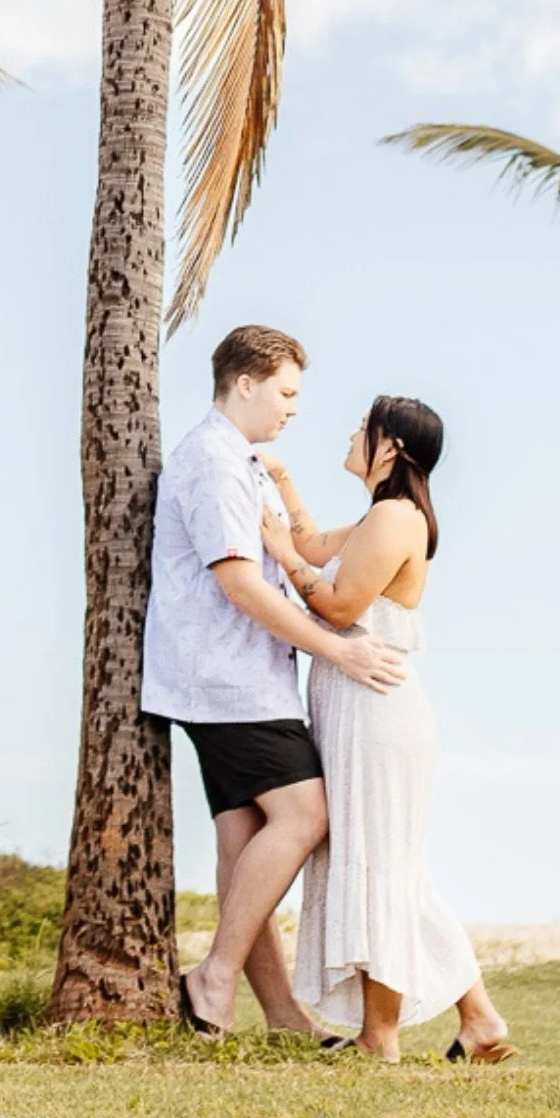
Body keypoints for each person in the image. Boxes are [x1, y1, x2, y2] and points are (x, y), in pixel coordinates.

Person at [140, 326, 404, 1038]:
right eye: (286, 392)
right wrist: (338, 653)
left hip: (236, 678)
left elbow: (295, 552)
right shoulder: (215, 465)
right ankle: (213, 976)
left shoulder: (245, 462)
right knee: (306, 815)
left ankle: (282, 1015)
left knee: (244, 840)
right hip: (227, 681)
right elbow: (240, 587)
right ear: (246, 383)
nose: (293, 408)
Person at [258, 395, 515, 1065]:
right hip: (355, 709)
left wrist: (282, 559)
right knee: (392, 872)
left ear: (390, 446)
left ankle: (380, 1037)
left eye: (363, 428)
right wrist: (281, 486)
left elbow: (338, 602)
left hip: (375, 713)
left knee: (379, 870)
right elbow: (315, 546)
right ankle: (480, 1020)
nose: (351, 433)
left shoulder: (397, 518)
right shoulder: (382, 516)